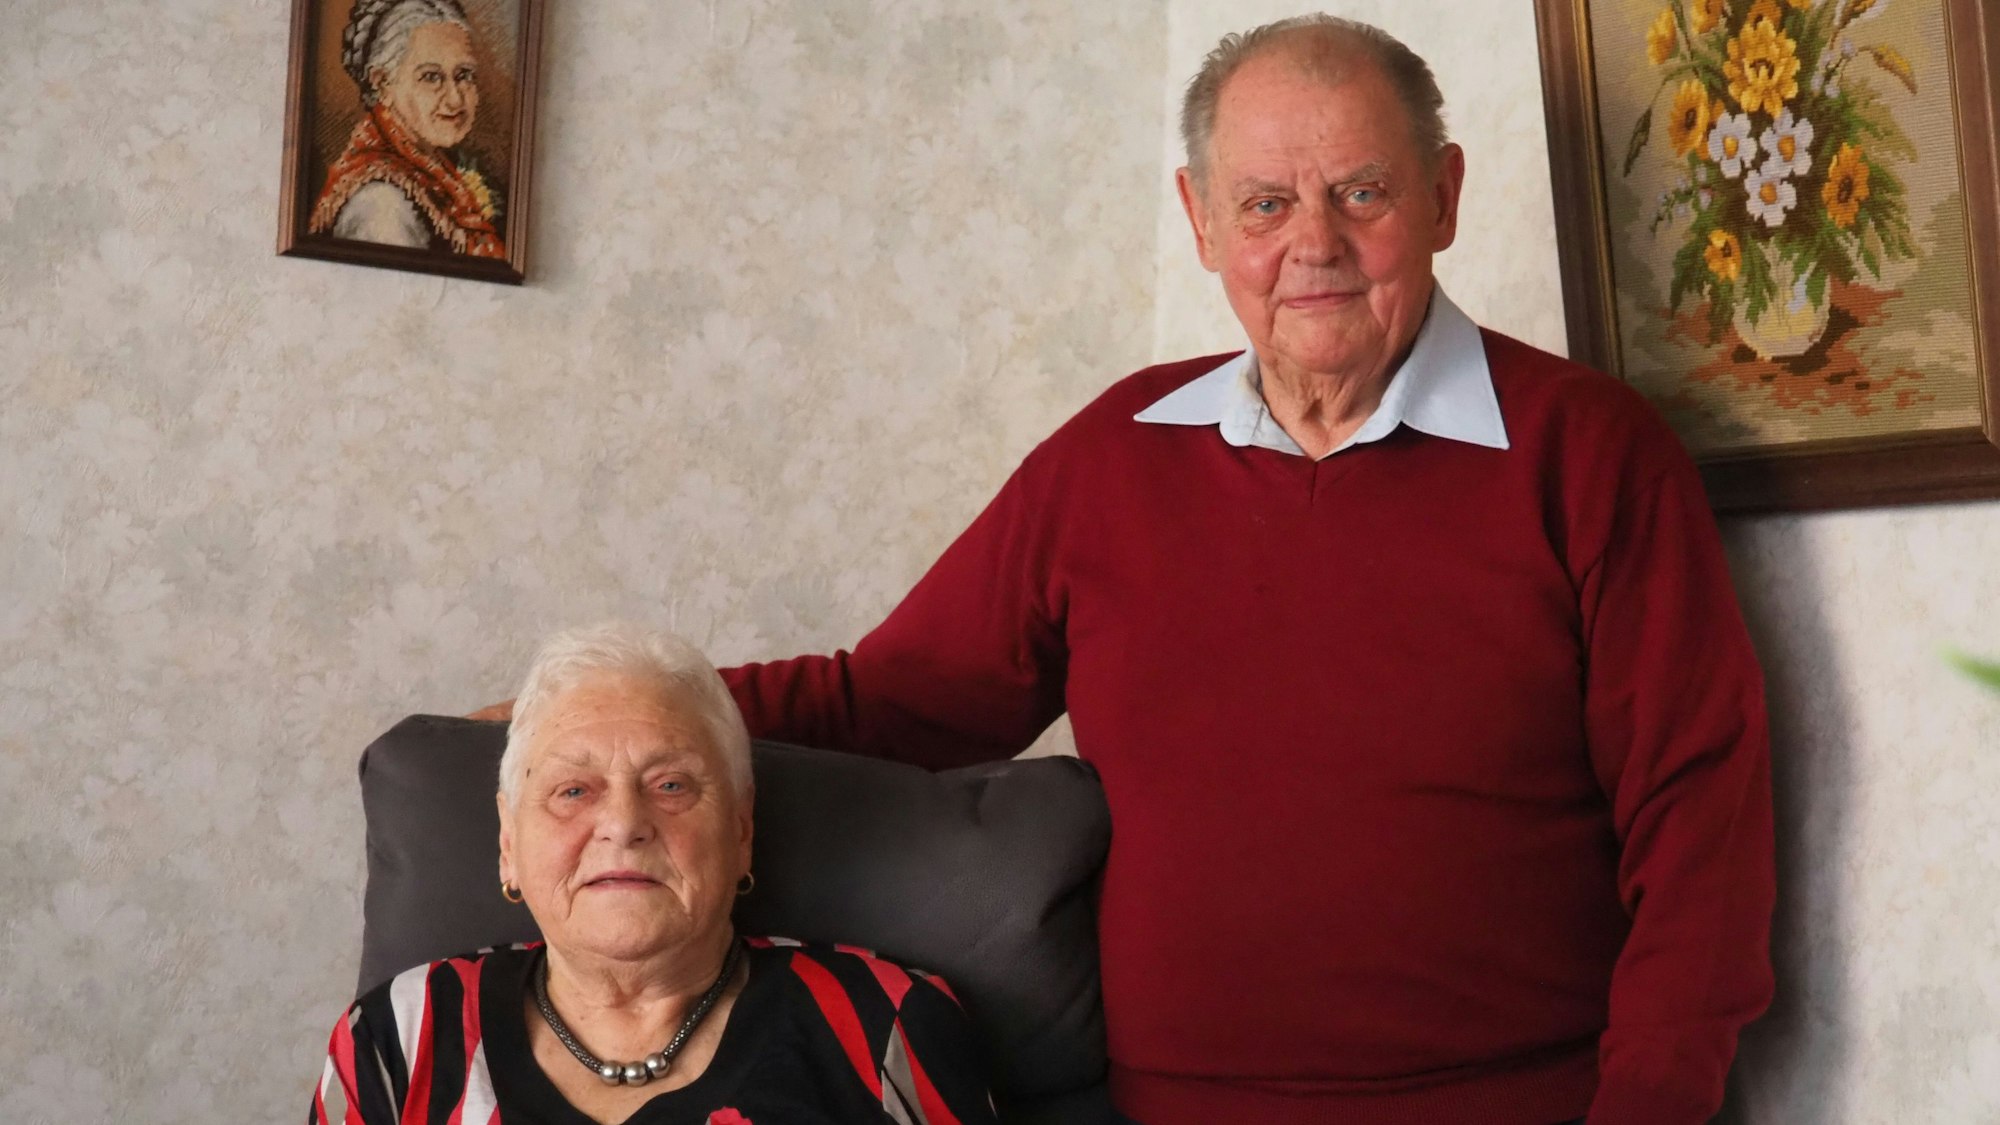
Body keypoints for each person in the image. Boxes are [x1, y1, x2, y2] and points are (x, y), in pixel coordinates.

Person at [477, 15, 1774, 1124]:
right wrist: (601, 730)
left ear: (1442, 192)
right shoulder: (1113, 459)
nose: (1312, 241)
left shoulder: (1591, 456)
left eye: (1362, 191)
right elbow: (899, 699)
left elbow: (1701, 822)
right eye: (1266, 203)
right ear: (1202, 222)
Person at [322, 623, 994, 1125]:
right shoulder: (396, 1039)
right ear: (507, 842)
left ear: (740, 830)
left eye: (671, 784)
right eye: (573, 790)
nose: (623, 822)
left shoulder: (886, 1026)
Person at [309, 0, 506, 257]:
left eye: (464, 75)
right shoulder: (381, 205)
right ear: (382, 84)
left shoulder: (433, 170)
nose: (456, 100)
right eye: (431, 77)